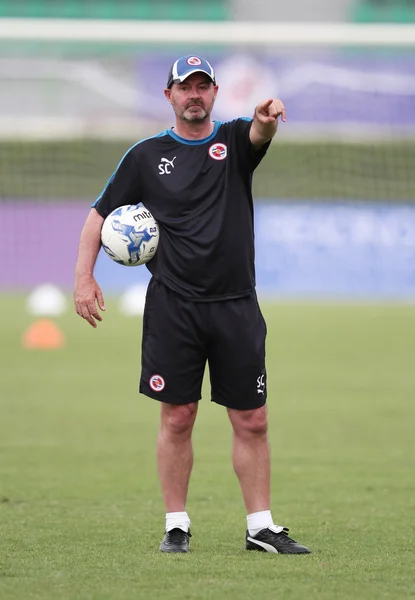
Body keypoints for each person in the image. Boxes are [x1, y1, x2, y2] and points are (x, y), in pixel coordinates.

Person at [74, 55, 311, 555]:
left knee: (253, 419)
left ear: (215, 92)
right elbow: (98, 215)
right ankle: (176, 525)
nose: (194, 94)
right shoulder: (145, 156)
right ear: (170, 96)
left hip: (236, 307)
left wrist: (266, 118)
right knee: (178, 415)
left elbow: (260, 133)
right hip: (173, 308)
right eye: (186, 87)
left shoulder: (233, 140)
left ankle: (261, 526)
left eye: (203, 86)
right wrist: (83, 278)